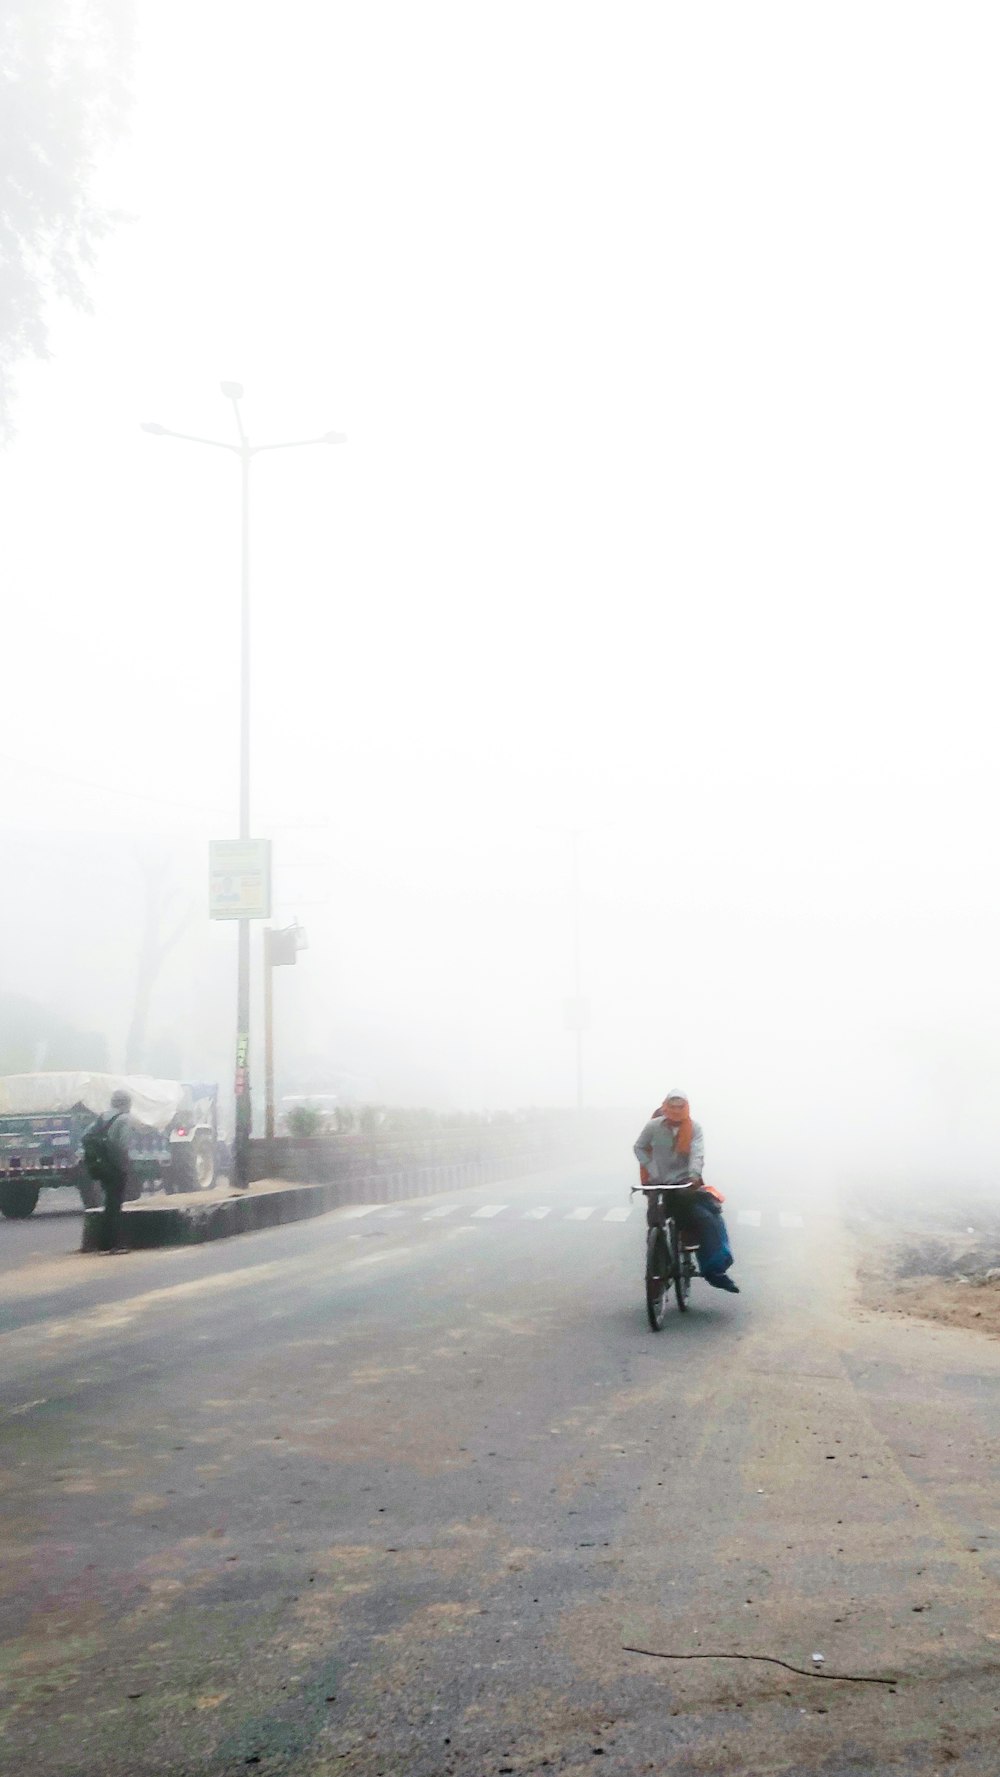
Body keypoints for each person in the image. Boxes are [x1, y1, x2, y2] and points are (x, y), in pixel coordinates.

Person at [633, 1091, 739, 1293]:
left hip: (684, 1181)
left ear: (686, 1108)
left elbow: (697, 1154)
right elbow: (639, 1147)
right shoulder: (653, 1127)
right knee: (654, 1223)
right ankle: (656, 1272)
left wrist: (693, 1175)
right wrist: (651, 1170)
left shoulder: (694, 1129)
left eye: (680, 1107)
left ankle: (687, 1237)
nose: (675, 1111)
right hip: (657, 1181)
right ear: (665, 1107)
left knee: (693, 1214)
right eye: (671, 1107)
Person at [83, 1089, 134, 1254]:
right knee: (114, 1206)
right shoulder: (124, 1119)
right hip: (115, 1167)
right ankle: (113, 1245)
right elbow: (123, 1145)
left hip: (101, 1166)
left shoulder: (102, 1117)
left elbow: (85, 1136)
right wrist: (125, 1166)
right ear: (127, 1103)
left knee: (108, 1204)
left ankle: (104, 1244)